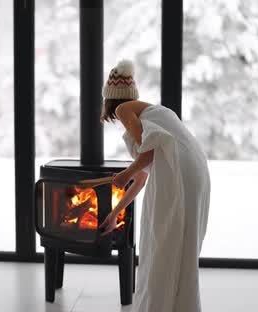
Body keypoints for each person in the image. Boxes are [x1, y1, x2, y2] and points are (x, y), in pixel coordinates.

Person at [98, 60, 211, 312]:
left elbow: (147, 155)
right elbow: (142, 177)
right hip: (193, 171)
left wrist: (124, 173)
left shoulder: (125, 109)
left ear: (111, 99)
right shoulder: (150, 114)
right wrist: (116, 213)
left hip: (180, 171)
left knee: (164, 242)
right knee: (179, 243)